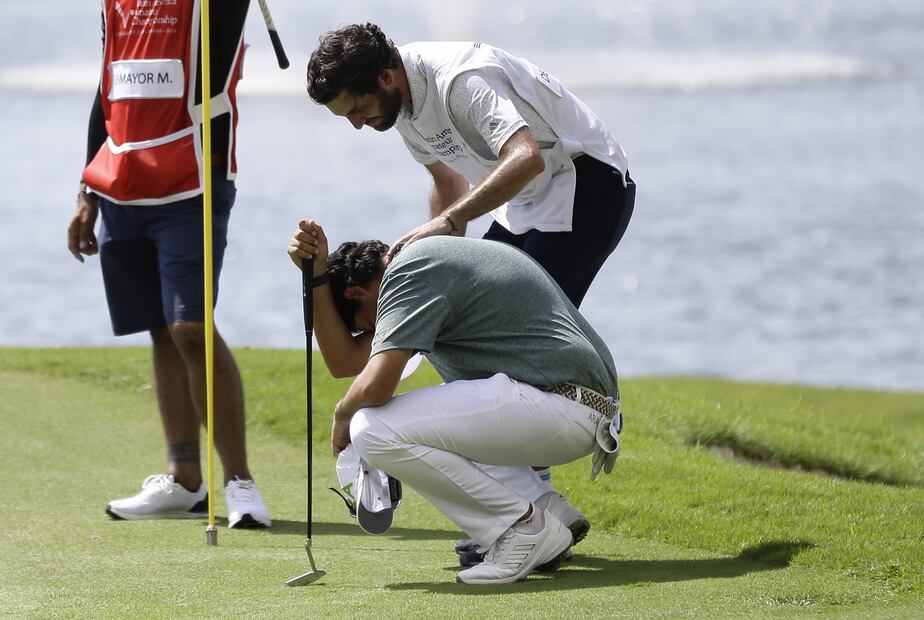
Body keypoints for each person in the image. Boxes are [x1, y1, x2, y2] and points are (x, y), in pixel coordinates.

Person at [306, 22, 635, 560]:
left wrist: (449, 226)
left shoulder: (460, 81)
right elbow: (448, 188)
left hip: (586, 184)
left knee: (509, 353)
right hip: (526, 201)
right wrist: (422, 267)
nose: (360, 126)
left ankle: (530, 518)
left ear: (386, 76)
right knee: (462, 337)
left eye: (358, 110)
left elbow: (524, 154)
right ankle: (540, 507)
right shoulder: (401, 109)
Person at [287, 220, 622, 584]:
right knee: (432, 416)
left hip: (563, 405)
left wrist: (341, 414)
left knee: (371, 428)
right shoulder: (420, 267)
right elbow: (345, 362)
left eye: (365, 326)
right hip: (579, 409)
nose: (372, 334)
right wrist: (315, 278)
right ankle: (545, 507)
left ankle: (522, 528)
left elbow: (376, 384)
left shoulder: (408, 272)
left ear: (355, 294)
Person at [67, 0, 270, 528]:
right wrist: (87, 188)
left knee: (190, 328)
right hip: (122, 185)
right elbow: (108, 86)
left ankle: (240, 484)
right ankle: (184, 480)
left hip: (193, 181)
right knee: (159, 328)